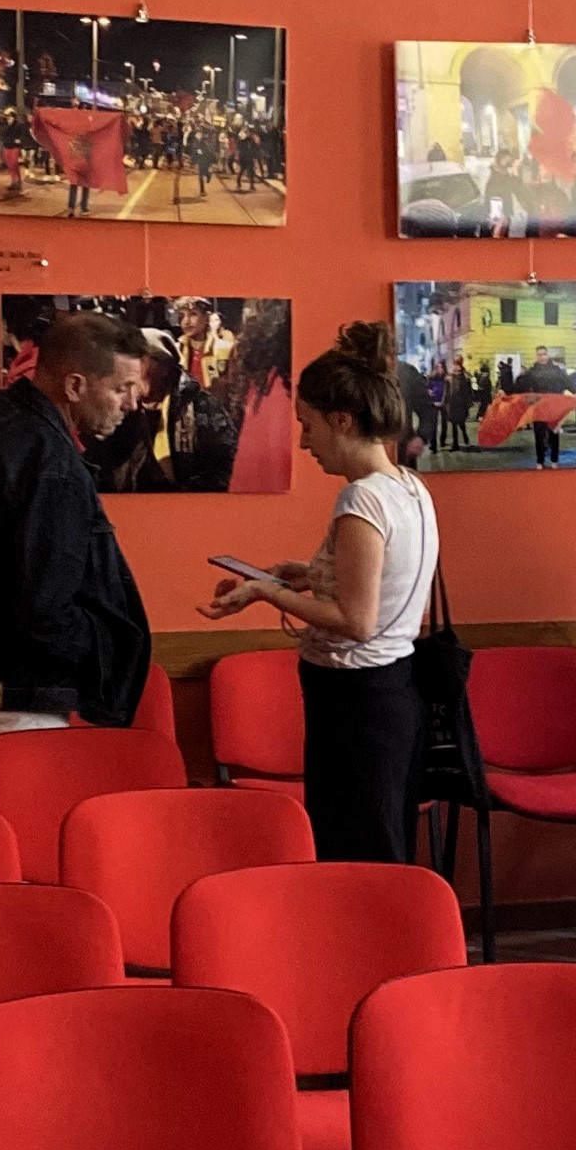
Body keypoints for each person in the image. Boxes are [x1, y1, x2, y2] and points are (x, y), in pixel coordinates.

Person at [201, 321, 440, 863]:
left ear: (341, 420)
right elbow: (383, 579)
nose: (304, 443)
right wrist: (306, 575)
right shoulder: (409, 488)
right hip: (392, 694)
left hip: (356, 701)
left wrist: (265, 592)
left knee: (354, 854)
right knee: (383, 846)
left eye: (307, 426)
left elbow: (355, 621)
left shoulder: (361, 500)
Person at [0, 308, 153, 754]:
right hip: (22, 687)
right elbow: (44, 608)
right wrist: (100, 648)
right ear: (74, 386)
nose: (131, 404)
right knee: (31, 800)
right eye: (121, 389)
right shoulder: (51, 464)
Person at [511, 344, 572, 469]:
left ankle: (554, 460)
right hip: (538, 407)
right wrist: (507, 392)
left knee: (554, 433)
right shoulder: (532, 372)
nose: (542, 357)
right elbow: (520, 386)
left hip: (553, 407)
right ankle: (540, 460)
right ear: (537, 356)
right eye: (539, 355)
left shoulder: (556, 370)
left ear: (547, 355)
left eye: (544, 354)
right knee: (539, 434)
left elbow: (568, 382)